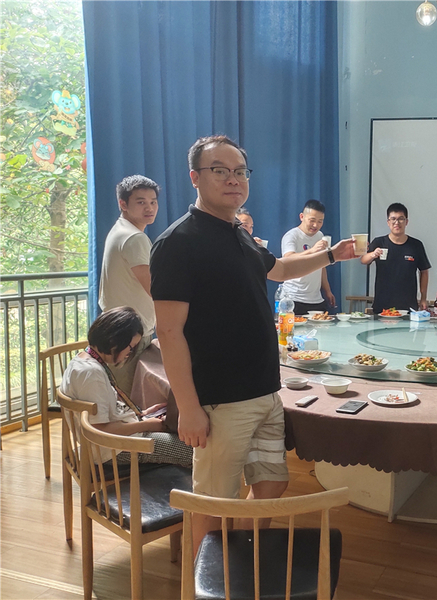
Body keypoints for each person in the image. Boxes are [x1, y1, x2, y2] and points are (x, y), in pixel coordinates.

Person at [150, 135, 356, 554]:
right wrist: (188, 408)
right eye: (220, 171)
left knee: (271, 483)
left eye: (240, 171)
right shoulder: (178, 242)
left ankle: (238, 558)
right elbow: (169, 333)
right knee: (212, 501)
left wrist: (332, 255)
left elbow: (279, 269)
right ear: (195, 177)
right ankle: (205, 579)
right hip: (220, 399)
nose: (233, 179)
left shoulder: (240, 234)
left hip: (264, 390)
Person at [60, 307, 193, 468]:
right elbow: (100, 430)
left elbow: (105, 414)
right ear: (114, 341)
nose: (129, 354)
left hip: (112, 442)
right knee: (192, 450)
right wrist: (148, 425)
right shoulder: (91, 375)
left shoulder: (83, 361)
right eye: (130, 348)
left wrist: (143, 414)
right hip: (113, 449)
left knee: (177, 433)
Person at [98, 174, 160, 395]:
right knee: (128, 397)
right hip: (129, 333)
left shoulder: (119, 229)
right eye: (141, 202)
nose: (149, 208)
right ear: (123, 204)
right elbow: (155, 289)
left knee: (119, 394)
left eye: (153, 201)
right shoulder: (134, 238)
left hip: (115, 327)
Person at [362, 203, 431, 312]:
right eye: (393, 219)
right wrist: (373, 254)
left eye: (401, 219)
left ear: (406, 222)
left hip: (408, 305)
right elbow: (363, 260)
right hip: (382, 305)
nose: (397, 223)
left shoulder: (416, 245)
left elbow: (424, 271)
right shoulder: (379, 242)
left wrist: (423, 298)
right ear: (388, 222)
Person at [281, 199, 337, 315]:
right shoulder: (292, 236)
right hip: (293, 298)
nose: (315, 225)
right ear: (302, 217)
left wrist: (327, 291)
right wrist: (312, 250)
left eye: (320, 221)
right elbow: (288, 258)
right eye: (312, 220)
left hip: (316, 299)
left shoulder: (320, 236)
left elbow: (322, 265)